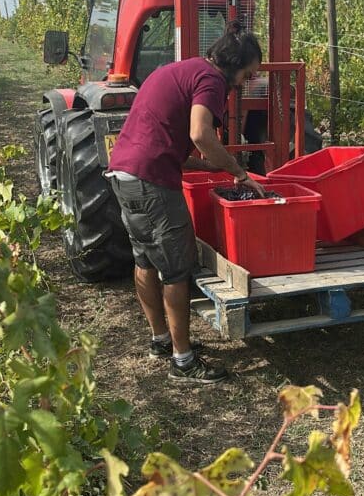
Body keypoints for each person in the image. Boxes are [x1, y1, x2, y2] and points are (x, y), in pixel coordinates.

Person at [107, 20, 266, 384]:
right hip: (152, 184)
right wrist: (238, 171)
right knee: (177, 270)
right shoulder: (211, 81)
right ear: (234, 65)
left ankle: (161, 341)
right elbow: (199, 132)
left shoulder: (184, 69)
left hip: (123, 174)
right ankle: (184, 361)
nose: (245, 81)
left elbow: (166, 142)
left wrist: (208, 166)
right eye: (247, 73)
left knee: (145, 259)